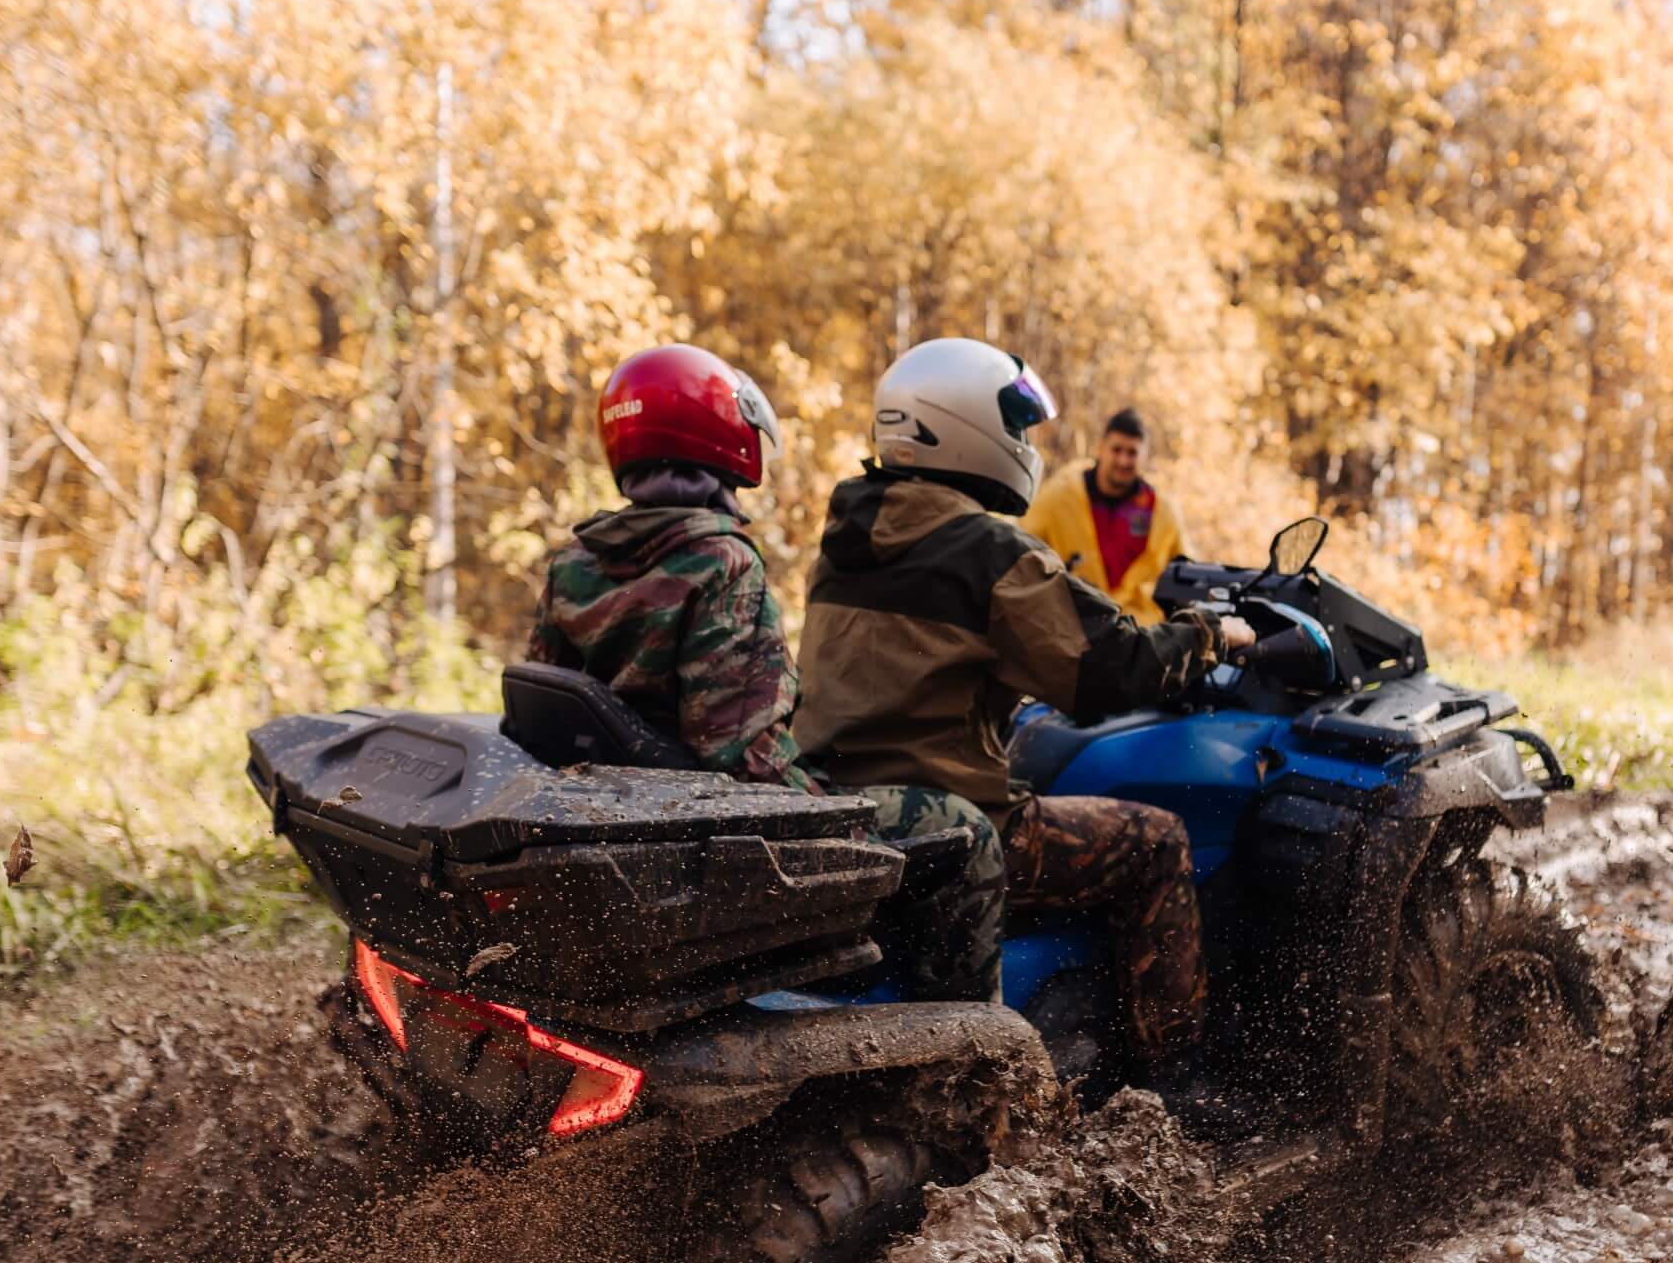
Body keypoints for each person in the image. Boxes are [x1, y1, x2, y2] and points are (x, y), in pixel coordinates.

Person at [793, 338, 1253, 1111]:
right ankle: (1172, 1086)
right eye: (1018, 424)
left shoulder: (848, 534)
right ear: (968, 426)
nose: (1026, 444)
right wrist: (1212, 635)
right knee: (1158, 840)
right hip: (952, 822)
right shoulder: (988, 550)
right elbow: (1113, 669)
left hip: (841, 808)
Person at [526, 343, 818, 796]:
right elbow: (740, 755)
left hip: (595, 806)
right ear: (716, 428)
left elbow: (543, 721)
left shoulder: (574, 560)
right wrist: (847, 819)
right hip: (693, 823)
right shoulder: (724, 563)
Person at [1019, 407, 1189, 626]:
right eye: (1116, 450)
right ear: (1100, 449)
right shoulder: (1059, 497)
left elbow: (1185, 572)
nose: (1123, 461)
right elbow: (1023, 552)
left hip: (1141, 633)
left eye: (1132, 453)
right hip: (1072, 625)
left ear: (1144, 457)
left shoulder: (1162, 511)